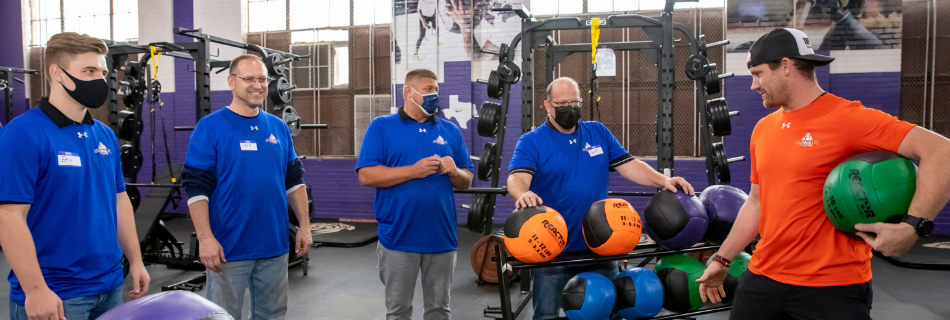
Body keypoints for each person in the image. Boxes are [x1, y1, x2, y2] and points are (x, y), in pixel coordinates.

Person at [695, 28, 950, 320]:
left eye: (758, 73)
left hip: (832, 287)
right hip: (763, 277)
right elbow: (756, 203)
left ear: (787, 66)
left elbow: (942, 152)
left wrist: (912, 226)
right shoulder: (763, 129)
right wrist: (722, 258)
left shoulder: (848, 118)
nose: (754, 85)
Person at [506, 77, 695, 320]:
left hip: (600, 247)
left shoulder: (598, 132)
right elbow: (517, 177)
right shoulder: (532, 141)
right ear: (547, 105)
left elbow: (630, 165)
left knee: (608, 312)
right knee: (546, 315)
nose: (569, 108)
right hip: (553, 249)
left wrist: (664, 181)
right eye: (562, 103)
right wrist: (523, 193)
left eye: (575, 102)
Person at [0, 32, 150, 320]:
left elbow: (119, 202)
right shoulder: (22, 135)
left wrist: (136, 261)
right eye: (89, 71)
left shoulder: (104, 134)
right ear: (57, 73)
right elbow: (9, 217)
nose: (100, 80)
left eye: (103, 72)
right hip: (56, 294)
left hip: (110, 286)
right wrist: (35, 290)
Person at [181, 54, 312, 320]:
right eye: (249, 78)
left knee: (272, 315)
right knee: (222, 316)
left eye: (262, 79)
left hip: (274, 245)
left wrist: (305, 227)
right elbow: (196, 189)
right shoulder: (209, 127)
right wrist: (205, 239)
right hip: (229, 247)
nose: (258, 85)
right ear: (231, 81)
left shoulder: (278, 127)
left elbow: (294, 180)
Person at [357, 69, 474, 320]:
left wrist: (455, 172)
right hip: (398, 237)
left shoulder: (450, 131)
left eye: (436, 90)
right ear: (408, 92)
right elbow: (366, 175)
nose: (435, 94)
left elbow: (467, 180)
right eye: (429, 89)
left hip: (441, 237)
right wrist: (412, 171)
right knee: (398, 311)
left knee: (439, 310)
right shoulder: (381, 127)